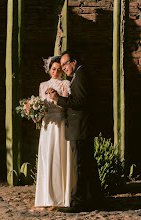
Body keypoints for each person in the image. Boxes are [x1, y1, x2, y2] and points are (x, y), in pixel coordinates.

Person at [48, 50, 102, 210]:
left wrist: (59, 99)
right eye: (62, 65)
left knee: (80, 165)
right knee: (88, 164)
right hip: (81, 127)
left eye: (65, 64)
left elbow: (79, 101)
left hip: (80, 127)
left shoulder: (81, 76)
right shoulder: (79, 76)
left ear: (74, 62)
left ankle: (78, 202)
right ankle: (96, 198)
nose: (63, 68)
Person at [34, 56, 76, 209]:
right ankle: (46, 196)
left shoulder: (65, 84)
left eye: (59, 70)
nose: (56, 72)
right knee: (47, 157)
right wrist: (35, 114)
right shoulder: (43, 85)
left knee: (59, 157)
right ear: (49, 70)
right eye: (53, 69)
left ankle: (60, 196)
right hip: (47, 125)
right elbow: (40, 105)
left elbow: (67, 104)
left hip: (59, 124)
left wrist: (56, 98)